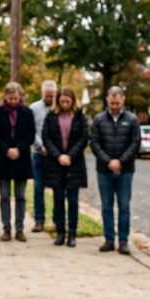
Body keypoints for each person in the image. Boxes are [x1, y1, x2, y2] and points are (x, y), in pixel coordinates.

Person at [90, 86, 141, 255]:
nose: (114, 106)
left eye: (117, 103)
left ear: (123, 100)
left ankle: (123, 241)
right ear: (107, 100)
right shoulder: (99, 120)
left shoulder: (132, 120)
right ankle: (109, 239)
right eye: (111, 103)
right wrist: (108, 161)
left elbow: (135, 143)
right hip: (104, 170)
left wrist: (121, 161)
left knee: (124, 206)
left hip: (125, 170)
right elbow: (94, 143)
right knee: (106, 206)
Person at [42, 87, 88, 247]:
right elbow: (46, 137)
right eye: (62, 101)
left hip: (74, 163)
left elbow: (84, 138)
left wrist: (70, 155)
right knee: (58, 199)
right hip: (56, 163)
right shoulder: (51, 116)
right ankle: (60, 232)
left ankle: (72, 234)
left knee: (73, 200)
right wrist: (58, 156)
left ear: (73, 101)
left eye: (68, 101)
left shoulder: (80, 116)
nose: (65, 104)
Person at [0, 82, 35, 242]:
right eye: (10, 99)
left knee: (21, 196)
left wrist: (18, 149)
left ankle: (20, 228)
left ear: (20, 96)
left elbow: (31, 135)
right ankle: (6, 228)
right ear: (5, 97)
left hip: (22, 159)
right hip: (3, 158)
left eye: (16, 98)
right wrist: (7, 149)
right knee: (4, 196)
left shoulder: (27, 113)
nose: (13, 101)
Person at [30, 80, 58, 232]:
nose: (49, 98)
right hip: (38, 153)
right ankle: (39, 220)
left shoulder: (59, 107)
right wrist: (40, 146)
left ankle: (57, 220)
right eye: (47, 95)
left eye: (51, 95)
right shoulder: (34, 108)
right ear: (42, 93)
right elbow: (31, 130)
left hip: (55, 155)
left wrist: (54, 149)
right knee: (38, 187)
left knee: (57, 188)